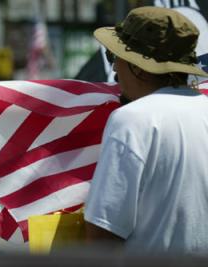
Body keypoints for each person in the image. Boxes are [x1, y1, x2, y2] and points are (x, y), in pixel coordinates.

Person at [84, 6, 208, 254]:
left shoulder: (131, 120)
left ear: (138, 66)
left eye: (113, 56)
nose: (115, 70)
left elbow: (103, 235)